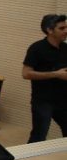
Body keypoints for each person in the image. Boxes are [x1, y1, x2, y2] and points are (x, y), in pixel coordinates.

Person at [23, 14, 67, 142]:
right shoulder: (36, 49)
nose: (66, 31)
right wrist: (56, 74)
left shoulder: (65, 48)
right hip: (43, 101)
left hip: (63, 100)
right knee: (39, 135)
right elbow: (26, 73)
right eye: (62, 28)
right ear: (49, 30)